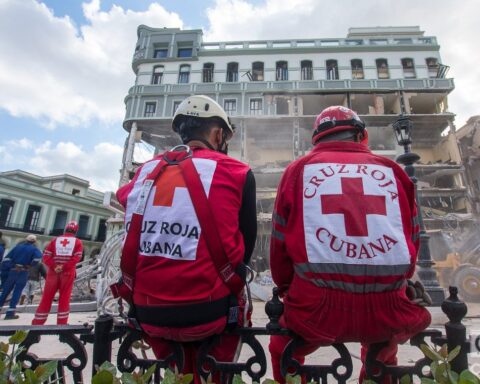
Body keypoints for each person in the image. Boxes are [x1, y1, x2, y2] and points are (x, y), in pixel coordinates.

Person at [268, 106, 431, 383]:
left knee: (281, 347)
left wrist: (286, 289)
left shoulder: (297, 171)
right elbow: (411, 239)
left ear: (317, 139)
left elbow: (279, 245)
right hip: (388, 307)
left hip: (315, 308)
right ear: (362, 135)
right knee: (383, 353)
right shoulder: (392, 171)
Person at [114, 95, 257, 382]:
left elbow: (124, 199)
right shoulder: (237, 172)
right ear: (218, 134)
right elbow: (246, 248)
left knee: (175, 374)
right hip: (212, 312)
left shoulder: (143, 172)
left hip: (147, 312)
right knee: (216, 372)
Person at [32, 221, 83, 325]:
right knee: (64, 298)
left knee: (46, 297)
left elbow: (46, 256)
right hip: (67, 273)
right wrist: (64, 267)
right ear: (76, 231)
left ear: (65, 229)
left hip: (53, 273)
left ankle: (37, 322)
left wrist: (55, 266)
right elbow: (77, 257)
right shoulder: (77, 242)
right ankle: (62, 323)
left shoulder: (55, 240)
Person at [0, 234, 42, 319]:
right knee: (17, 292)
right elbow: (38, 258)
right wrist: (29, 265)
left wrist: (13, 265)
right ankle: (10, 313)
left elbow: (6, 259)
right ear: (34, 241)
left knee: (5, 291)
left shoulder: (17, 247)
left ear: (26, 240)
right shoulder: (34, 249)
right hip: (23, 272)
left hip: (13, 271)